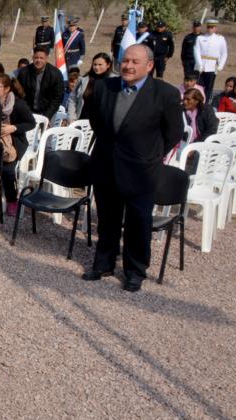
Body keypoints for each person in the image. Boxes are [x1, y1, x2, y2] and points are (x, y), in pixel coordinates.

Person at [83, 44, 183, 292]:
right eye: (125, 60)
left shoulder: (165, 93)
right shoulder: (104, 87)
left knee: (138, 222)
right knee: (107, 218)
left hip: (142, 171)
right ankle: (104, 262)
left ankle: (135, 270)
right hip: (107, 166)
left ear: (149, 65)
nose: (128, 66)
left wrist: (148, 155)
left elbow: (173, 133)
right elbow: (96, 121)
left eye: (135, 62)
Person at [0, 73, 35, 216]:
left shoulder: (18, 104)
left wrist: (13, 127)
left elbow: (31, 123)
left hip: (14, 144)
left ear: (6, 89)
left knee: (7, 170)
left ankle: (12, 200)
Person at [16, 46, 64, 118]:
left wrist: (47, 116)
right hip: (28, 111)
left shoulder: (55, 74)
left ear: (46, 59)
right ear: (32, 58)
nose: (38, 60)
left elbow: (57, 98)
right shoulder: (24, 72)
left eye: (41, 58)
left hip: (47, 112)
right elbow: (19, 94)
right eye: (36, 58)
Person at [67, 52, 112, 121]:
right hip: (81, 121)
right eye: (95, 64)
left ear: (108, 65)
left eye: (100, 65)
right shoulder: (83, 79)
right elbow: (72, 98)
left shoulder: (114, 82)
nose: (97, 67)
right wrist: (71, 118)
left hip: (102, 124)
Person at [194, 19, 227, 104]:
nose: (210, 29)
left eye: (212, 27)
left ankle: (205, 103)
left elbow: (224, 53)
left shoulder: (220, 39)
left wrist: (220, 66)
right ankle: (197, 102)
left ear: (216, 28)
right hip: (201, 65)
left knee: (209, 87)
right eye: (208, 27)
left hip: (212, 66)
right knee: (198, 86)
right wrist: (199, 64)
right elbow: (196, 51)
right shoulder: (200, 38)